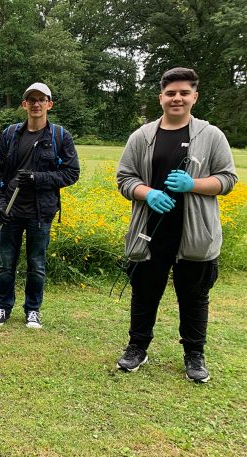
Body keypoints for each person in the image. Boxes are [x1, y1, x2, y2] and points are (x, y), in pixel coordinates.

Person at [115, 67, 238, 383]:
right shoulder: (142, 137)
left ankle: (194, 354)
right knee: (144, 291)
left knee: (194, 294)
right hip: (149, 230)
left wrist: (193, 184)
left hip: (195, 233)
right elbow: (125, 178)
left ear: (195, 96)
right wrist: (149, 193)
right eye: (171, 93)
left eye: (184, 92)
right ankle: (137, 347)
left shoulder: (211, 136)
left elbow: (227, 179)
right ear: (161, 98)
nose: (177, 98)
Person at [0, 82, 80, 329]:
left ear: (49, 104)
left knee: (36, 264)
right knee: (6, 263)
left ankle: (33, 310)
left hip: (41, 211)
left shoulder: (60, 136)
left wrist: (38, 178)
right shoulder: (9, 134)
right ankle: (3, 307)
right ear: (24, 104)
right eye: (32, 100)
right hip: (11, 210)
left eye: (42, 99)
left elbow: (71, 173)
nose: (36, 104)